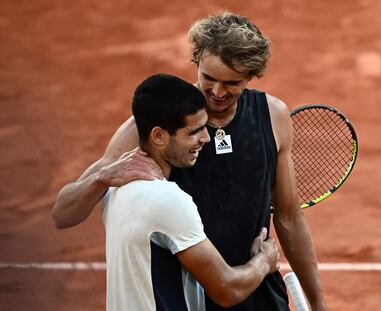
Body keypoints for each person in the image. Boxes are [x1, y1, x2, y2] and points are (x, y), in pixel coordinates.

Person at [52, 12, 328, 311]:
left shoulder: (273, 117)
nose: (218, 92)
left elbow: (288, 216)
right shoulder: (152, 127)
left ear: (251, 76)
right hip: (186, 297)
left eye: (231, 82)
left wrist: (318, 304)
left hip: (256, 289)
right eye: (208, 78)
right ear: (196, 62)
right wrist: (102, 176)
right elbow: (63, 214)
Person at [102, 73, 279, 310]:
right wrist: (263, 262)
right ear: (158, 136)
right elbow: (227, 289)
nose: (205, 138)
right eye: (194, 131)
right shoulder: (169, 201)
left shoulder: (113, 189)